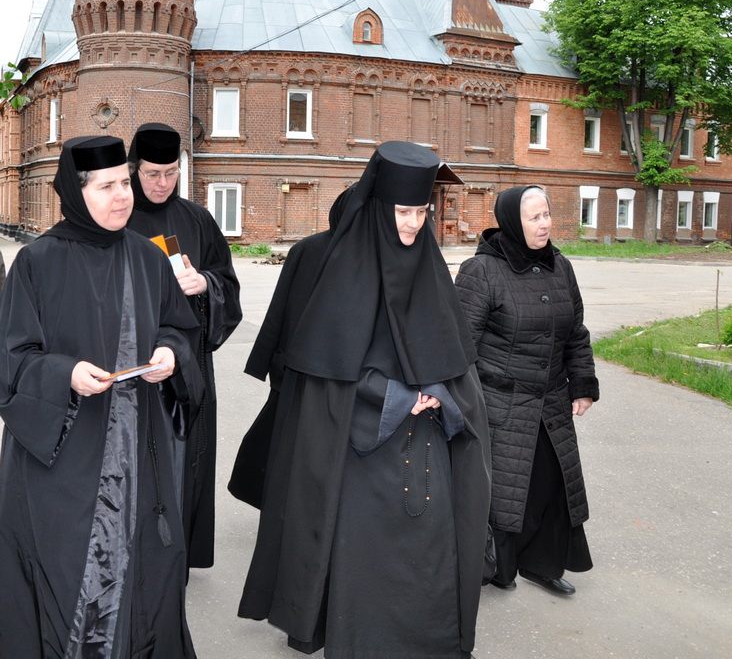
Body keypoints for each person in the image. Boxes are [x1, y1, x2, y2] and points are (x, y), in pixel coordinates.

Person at [237, 141, 491, 659]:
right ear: (378, 208)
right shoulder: (343, 271)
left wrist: (439, 394)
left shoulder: (430, 269)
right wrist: (393, 396)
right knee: (363, 560)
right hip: (359, 457)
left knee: (429, 555)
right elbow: (325, 377)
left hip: (426, 450)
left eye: (422, 212)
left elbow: (457, 363)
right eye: (403, 212)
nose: (414, 224)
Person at [0, 135, 202, 657]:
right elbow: (12, 359)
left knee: (145, 571)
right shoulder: (36, 262)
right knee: (65, 573)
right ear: (77, 190)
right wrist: (65, 372)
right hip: (63, 462)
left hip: (141, 450)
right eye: (106, 186)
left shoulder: (148, 256)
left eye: (124, 183)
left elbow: (180, 328)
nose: (122, 196)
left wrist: (171, 353)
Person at [454, 185, 599, 596]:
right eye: (534, 217)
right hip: (500, 402)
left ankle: (542, 563)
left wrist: (582, 385)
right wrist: (463, 403)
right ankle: (497, 568)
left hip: (551, 399)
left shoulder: (560, 265)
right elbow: (460, 343)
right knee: (505, 489)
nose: (544, 224)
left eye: (546, 214)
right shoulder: (482, 271)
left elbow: (576, 333)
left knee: (551, 484)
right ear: (511, 223)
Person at [127, 122, 242, 570]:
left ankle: (179, 554)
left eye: (172, 172)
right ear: (134, 169)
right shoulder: (117, 213)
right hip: (131, 360)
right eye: (153, 174)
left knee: (187, 458)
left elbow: (228, 282)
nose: (163, 183)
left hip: (188, 363)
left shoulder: (197, 219)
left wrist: (205, 283)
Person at [228, 186, 354, 508]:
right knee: (289, 445)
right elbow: (284, 307)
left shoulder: (369, 254)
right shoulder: (310, 250)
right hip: (301, 369)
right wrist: (275, 362)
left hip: (314, 369)